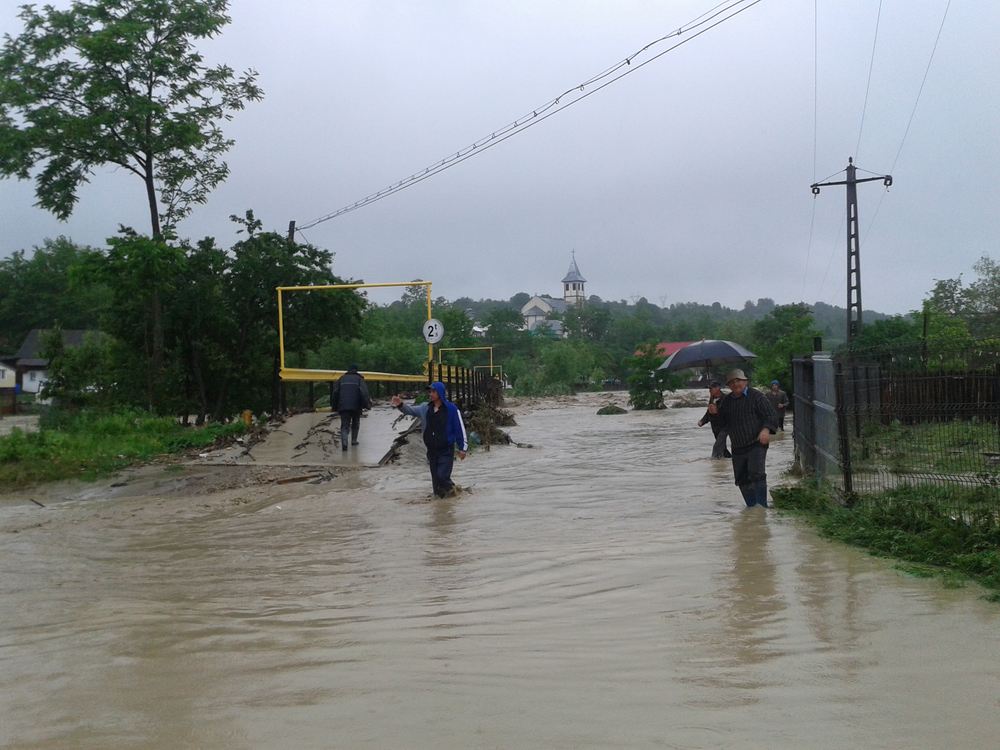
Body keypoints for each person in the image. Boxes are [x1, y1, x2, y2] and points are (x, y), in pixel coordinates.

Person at [708, 369, 779, 508]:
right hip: (737, 446)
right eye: (732, 382)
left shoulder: (757, 396)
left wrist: (766, 429)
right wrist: (714, 414)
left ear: (745, 381)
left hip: (756, 442)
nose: (736, 384)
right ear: (728, 386)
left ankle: (762, 507)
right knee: (741, 479)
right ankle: (752, 508)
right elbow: (722, 424)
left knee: (756, 473)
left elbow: (771, 416)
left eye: (738, 381)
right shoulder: (726, 401)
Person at [391, 382, 469, 498]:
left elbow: (459, 429)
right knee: (436, 485)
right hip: (431, 451)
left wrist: (463, 448)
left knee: (442, 476)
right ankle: (443, 504)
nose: (431, 394)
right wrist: (400, 405)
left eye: (433, 391)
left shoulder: (451, 409)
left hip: (446, 450)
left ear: (440, 393)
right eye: (430, 391)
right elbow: (410, 410)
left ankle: (455, 491)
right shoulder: (425, 408)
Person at [330, 364, 371, 451]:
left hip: (343, 405)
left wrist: (334, 406)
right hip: (356, 405)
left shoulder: (341, 379)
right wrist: (367, 405)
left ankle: (344, 443)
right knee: (356, 423)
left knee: (344, 425)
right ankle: (354, 440)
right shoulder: (359, 379)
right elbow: (364, 393)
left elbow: (335, 393)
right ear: (356, 370)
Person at [697, 380, 731, 458]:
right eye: (709, 389)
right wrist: (702, 421)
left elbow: (730, 412)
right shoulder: (712, 398)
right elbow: (709, 412)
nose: (709, 390)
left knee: (717, 445)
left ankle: (714, 460)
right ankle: (728, 459)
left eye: (711, 389)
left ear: (718, 388)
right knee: (722, 447)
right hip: (715, 426)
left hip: (725, 426)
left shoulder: (726, 398)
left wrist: (717, 411)